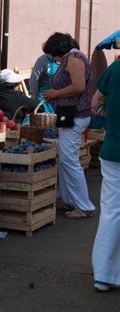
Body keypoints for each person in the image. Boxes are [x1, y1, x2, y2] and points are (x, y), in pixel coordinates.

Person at [42, 32, 95, 219]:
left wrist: (55, 94)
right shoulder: (72, 57)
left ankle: (84, 206)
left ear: (58, 49)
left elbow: (79, 86)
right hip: (71, 116)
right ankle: (70, 200)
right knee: (66, 158)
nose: (54, 59)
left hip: (76, 115)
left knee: (70, 160)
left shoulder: (73, 58)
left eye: (53, 54)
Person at [91, 59, 120, 292]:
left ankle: (103, 275)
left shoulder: (115, 69)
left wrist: (108, 113)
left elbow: (95, 103)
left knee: (111, 212)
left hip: (112, 150)